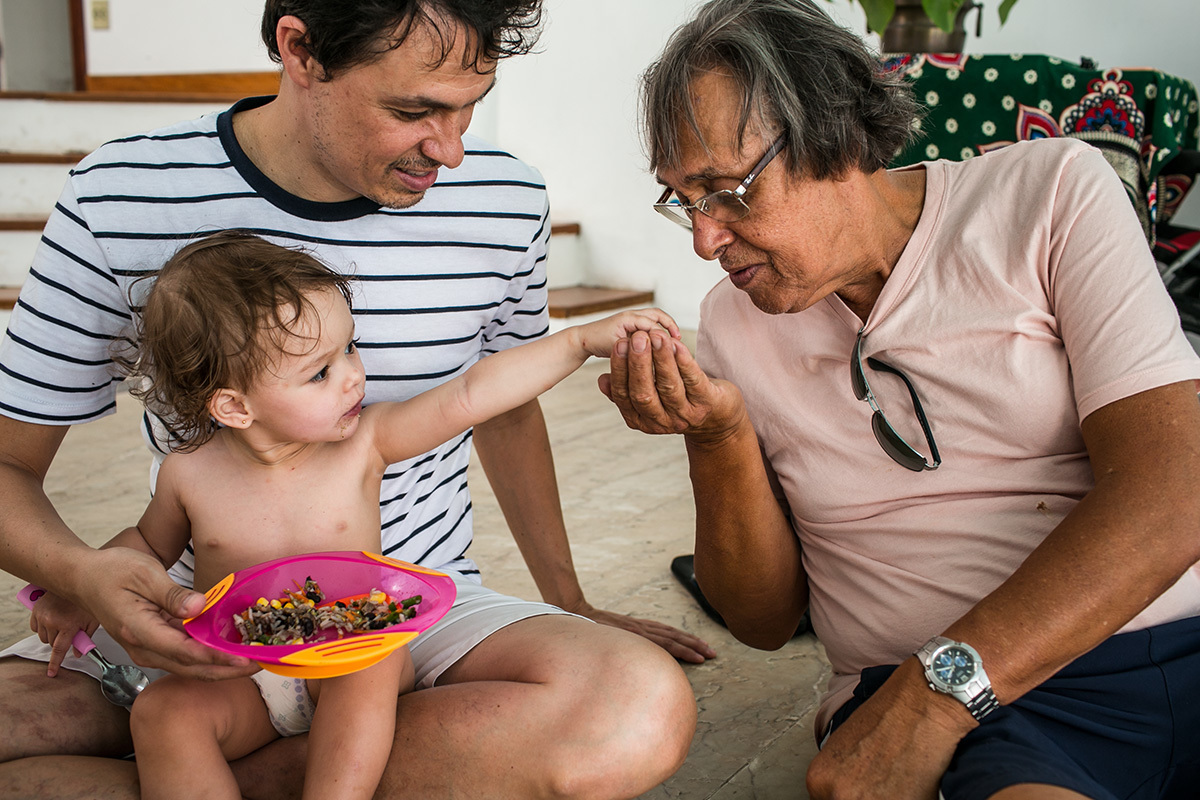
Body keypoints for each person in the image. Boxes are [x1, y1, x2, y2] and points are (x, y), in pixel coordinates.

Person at [0, 1, 701, 797]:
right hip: (205, 623)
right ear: (300, 50)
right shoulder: (121, 195)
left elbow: (494, 404)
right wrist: (82, 578)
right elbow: (12, 471)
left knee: (631, 712)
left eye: (470, 105)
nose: (452, 150)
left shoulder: (504, 203)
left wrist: (568, 600)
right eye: (413, 110)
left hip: (401, 613)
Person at [601, 1, 1200, 799]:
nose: (704, 240)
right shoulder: (731, 321)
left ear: (839, 140)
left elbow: (1177, 487)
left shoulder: (1047, 195)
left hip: (1160, 645)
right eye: (683, 199)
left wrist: (933, 701)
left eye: (727, 190)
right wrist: (719, 439)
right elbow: (762, 621)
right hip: (997, 726)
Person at [28, 230, 682, 800]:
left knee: (369, 667)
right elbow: (142, 546)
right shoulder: (189, 473)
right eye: (319, 372)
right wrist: (78, 585)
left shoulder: (365, 443)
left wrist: (577, 343)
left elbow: (470, 394)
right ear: (233, 407)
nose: (353, 379)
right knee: (165, 715)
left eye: (350, 349)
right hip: (247, 661)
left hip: (351, 643)